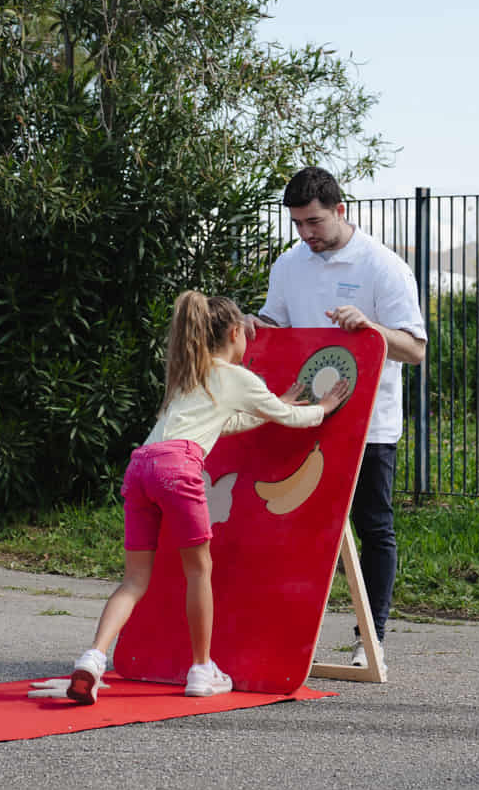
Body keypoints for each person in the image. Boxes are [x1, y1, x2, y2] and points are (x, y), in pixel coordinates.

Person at [34, 292, 349, 705]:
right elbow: (290, 419)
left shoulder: (190, 376)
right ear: (237, 333)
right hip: (178, 469)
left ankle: (92, 660)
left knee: (134, 580)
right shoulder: (236, 376)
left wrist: (274, 406)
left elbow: (226, 423)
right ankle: (202, 669)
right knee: (199, 572)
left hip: (141, 467)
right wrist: (322, 406)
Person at [250, 168, 427, 667]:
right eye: (298, 224)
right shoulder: (289, 264)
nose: (306, 234)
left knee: (373, 527)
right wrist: (252, 326)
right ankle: (285, 634)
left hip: (368, 423)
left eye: (314, 222)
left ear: (340, 210)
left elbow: (414, 350)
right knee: (294, 524)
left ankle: (370, 638)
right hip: (304, 416)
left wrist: (370, 327)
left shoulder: (384, 267)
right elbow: (276, 325)